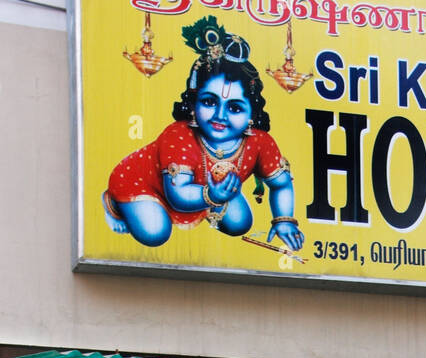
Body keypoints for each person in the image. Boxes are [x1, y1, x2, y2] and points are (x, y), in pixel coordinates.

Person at [104, 20, 304, 252]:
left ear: (253, 112)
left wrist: (284, 220)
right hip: (146, 185)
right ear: (193, 102)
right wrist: (214, 194)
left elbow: (281, 184)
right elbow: (177, 194)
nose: (220, 115)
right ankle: (113, 202)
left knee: (241, 223)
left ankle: (209, 206)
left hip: (205, 190)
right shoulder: (179, 135)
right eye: (209, 102)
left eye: (235, 108)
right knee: (155, 233)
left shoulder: (259, 142)